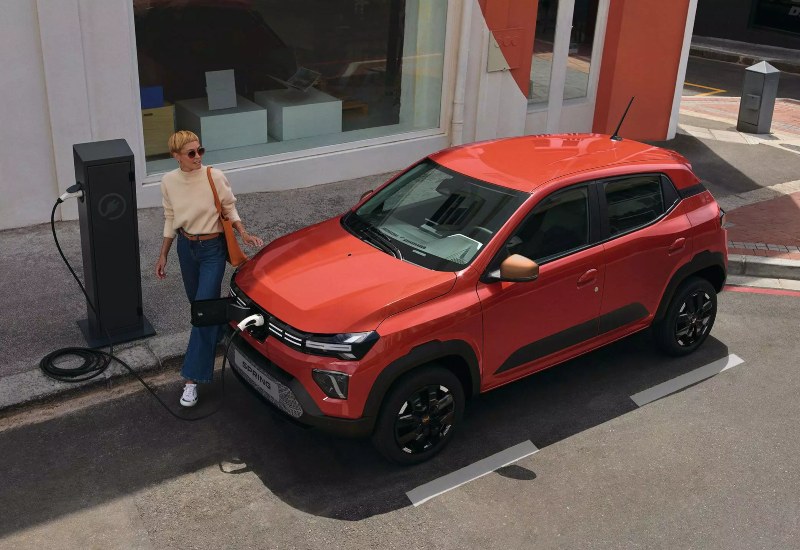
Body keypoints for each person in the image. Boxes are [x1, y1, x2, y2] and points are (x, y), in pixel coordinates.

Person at [155, 130, 263, 407]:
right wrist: (163, 254)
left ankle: (192, 379)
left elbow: (229, 208)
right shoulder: (168, 181)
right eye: (191, 153)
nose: (198, 157)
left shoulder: (214, 176)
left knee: (202, 310)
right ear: (176, 156)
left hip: (213, 249)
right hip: (185, 248)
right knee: (199, 307)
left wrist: (244, 233)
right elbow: (170, 217)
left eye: (200, 150)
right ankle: (223, 330)